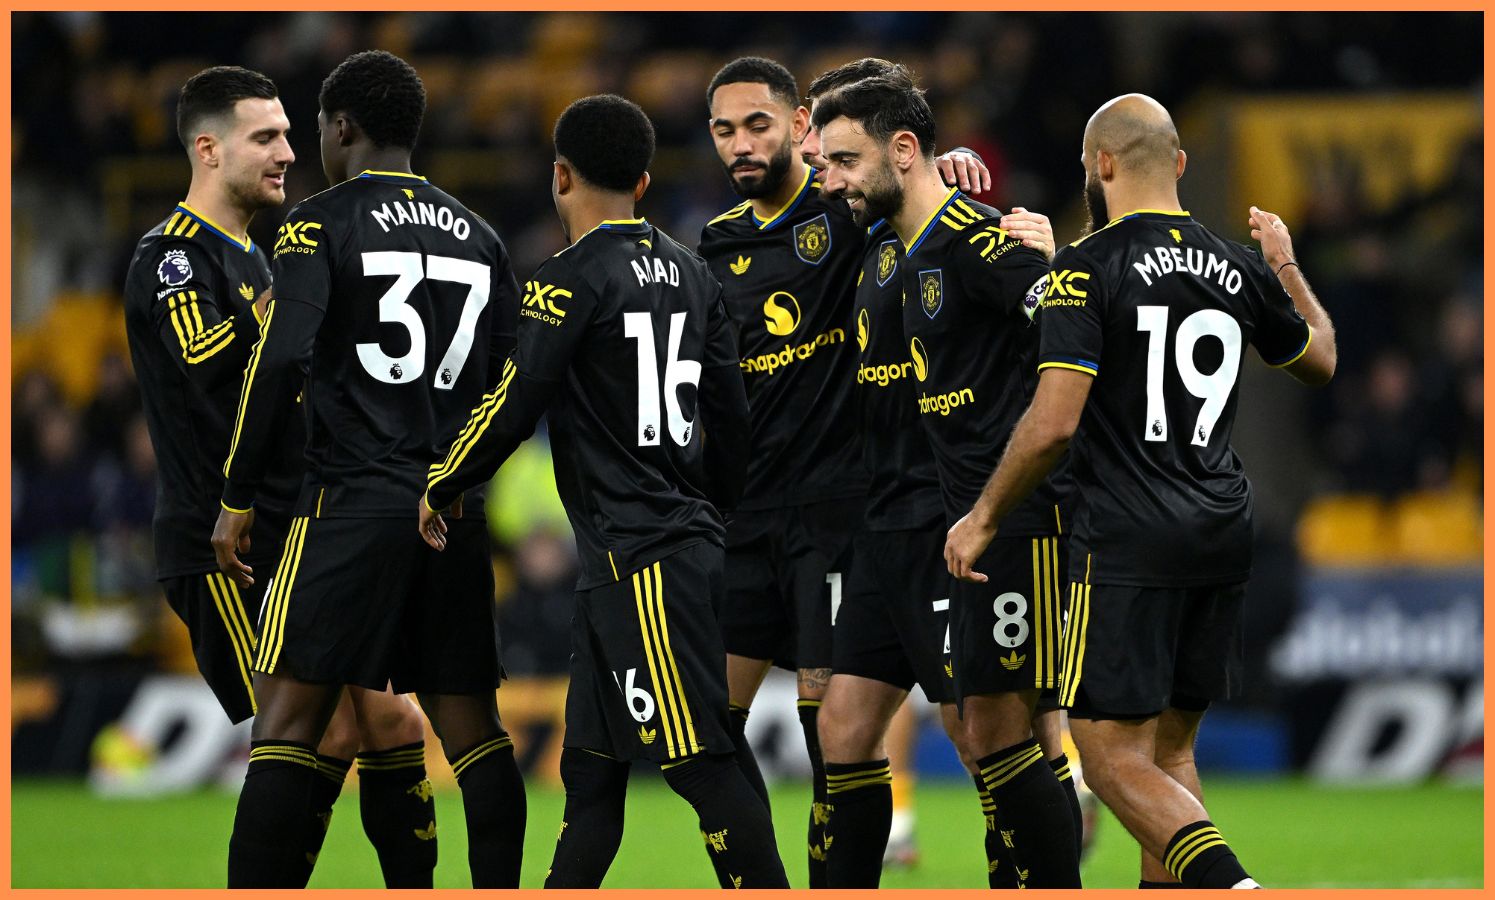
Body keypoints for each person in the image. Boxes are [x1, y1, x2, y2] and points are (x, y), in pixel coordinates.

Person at [943, 93, 1336, 889]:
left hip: (1126, 535)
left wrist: (983, 515)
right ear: (1180, 165)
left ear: (1101, 165)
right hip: (1223, 526)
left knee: (1108, 755)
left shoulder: (1086, 269)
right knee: (1169, 751)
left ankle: (1232, 886)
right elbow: (1320, 359)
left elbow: (1053, 425)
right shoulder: (1234, 264)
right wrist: (1283, 261)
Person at [420, 93, 788, 889]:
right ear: (645, 182)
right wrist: (707, 511)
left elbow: (517, 399)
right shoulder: (696, 276)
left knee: (700, 762)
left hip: (641, 556)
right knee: (589, 775)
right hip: (651, 552)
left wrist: (445, 479)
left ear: (560, 176)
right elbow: (732, 421)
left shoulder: (566, 279)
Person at [210, 51, 526, 888]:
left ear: (340, 126)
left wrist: (237, 497)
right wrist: (455, 481)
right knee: (473, 732)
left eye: (315, 125)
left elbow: (278, 364)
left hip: (347, 504)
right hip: (449, 512)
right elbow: (508, 384)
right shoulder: (484, 235)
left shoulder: (318, 221)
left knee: (286, 722)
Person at [121, 64, 433, 887]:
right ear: (208, 149)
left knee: (394, 724)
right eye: (266, 137)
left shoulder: (259, 258)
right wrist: (300, 329)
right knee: (316, 731)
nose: (289, 153)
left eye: (292, 135)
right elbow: (213, 366)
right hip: (220, 540)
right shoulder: (176, 259)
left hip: (300, 527)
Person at [815, 76, 1081, 887]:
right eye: (825, 162)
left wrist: (1057, 260)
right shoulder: (882, 245)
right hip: (883, 526)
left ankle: (1043, 880)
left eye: (844, 160)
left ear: (901, 150)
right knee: (843, 727)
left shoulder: (981, 239)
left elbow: (1067, 318)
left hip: (959, 522)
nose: (833, 179)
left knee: (987, 733)